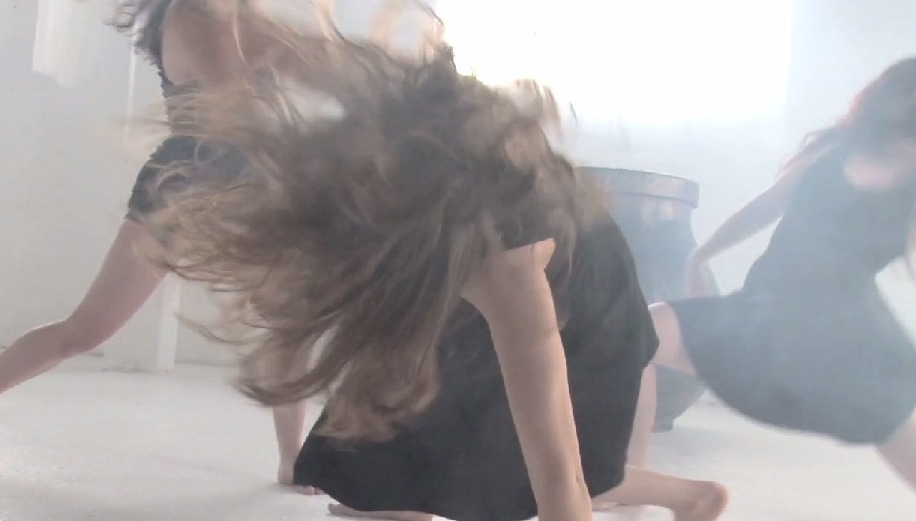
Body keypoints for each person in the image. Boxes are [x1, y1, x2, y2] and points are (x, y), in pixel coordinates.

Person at [138, 3, 728, 521]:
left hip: (589, 300)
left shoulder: (503, 270)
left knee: (519, 464)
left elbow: (560, 481)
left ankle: (693, 497)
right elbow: (299, 61)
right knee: (379, 464)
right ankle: (409, 496)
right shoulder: (389, 113)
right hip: (468, 237)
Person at [0, 0, 311, 490]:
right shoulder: (193, 16)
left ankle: (293, 459)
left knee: (287, 328)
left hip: (251, 188)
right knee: (85, 331)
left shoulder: (240, 14)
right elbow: (244, 108)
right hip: (182, 191)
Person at [631, 57, 916, 497]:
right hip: (762, 314)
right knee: (635, 337)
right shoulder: (831, 153)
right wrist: (701, 254)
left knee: (896, 425)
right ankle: (635, 478)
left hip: (849, 340)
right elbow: (765, 206)